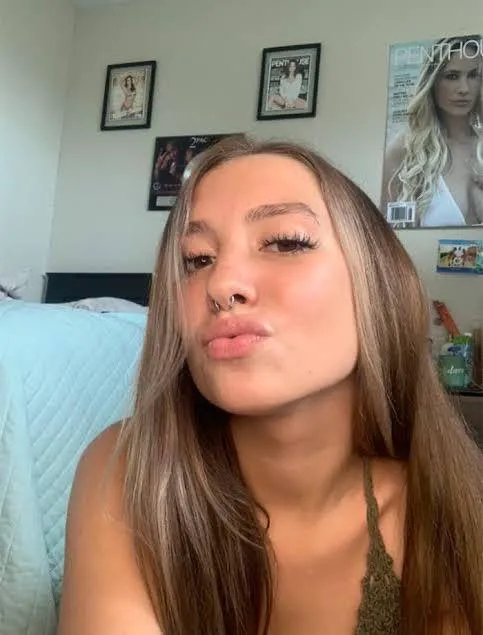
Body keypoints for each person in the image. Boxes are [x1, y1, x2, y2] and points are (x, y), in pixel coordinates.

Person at [58, 135, 483, 634]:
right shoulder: (130, 468)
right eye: (197, 259)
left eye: (286, 241)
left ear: (380, 281)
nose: (221, 285)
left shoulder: (449, 515)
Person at [381, 35, 483, 227]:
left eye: (473, 75)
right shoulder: (405, 149)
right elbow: (384, 232)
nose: (464, 89)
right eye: (452, 76)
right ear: (432, 82)